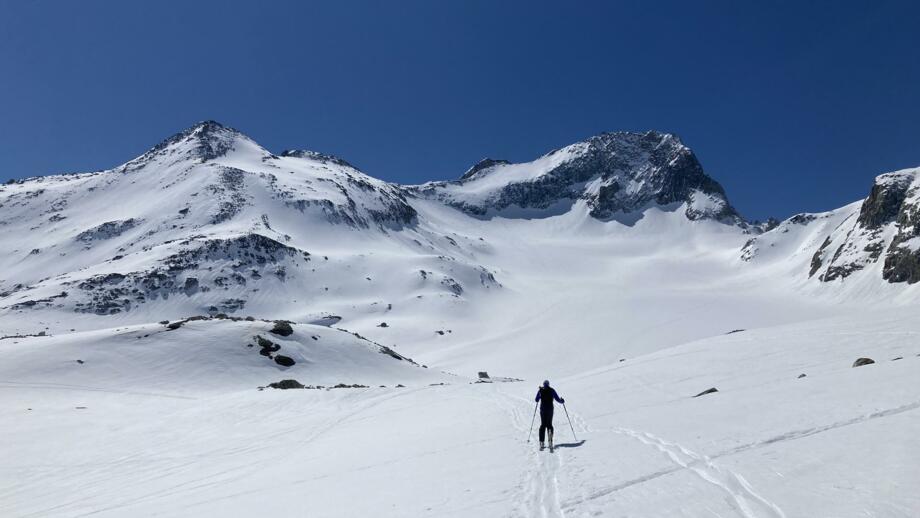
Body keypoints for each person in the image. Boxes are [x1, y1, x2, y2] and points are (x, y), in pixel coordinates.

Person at [535, 380, 564, 451]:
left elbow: (536, 400)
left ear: (543, 384)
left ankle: (541, 442)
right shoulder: (552, 390)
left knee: (543, 425)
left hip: (542, 410)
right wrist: (562, 401)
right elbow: (557, 399)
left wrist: (539, 398)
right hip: (550, 410)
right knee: (549, 424)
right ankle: (550, 440)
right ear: (548, 384)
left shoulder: (540, 390)